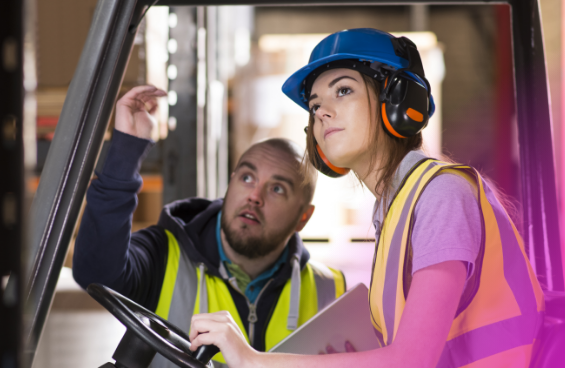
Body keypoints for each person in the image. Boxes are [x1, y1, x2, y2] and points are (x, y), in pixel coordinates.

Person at [188, 28, 544, 368]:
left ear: (399, 100)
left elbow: (411, 361)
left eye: (343, 90)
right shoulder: (395, 209)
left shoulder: (441, 195)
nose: (322, 111)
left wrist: (253, 360)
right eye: (314, 106)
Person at [72, 85, 347, 367]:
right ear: (230, 183)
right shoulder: (164, 256)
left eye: (277, 189)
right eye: (247, 178)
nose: (255, 196)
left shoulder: (332, 293)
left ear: (303, 217)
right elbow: (95, 272)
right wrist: (126, 150)